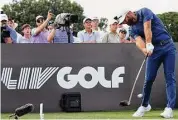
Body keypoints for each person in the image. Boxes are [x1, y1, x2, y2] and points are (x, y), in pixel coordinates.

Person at [114, 7, 177, 118]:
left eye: (125, 20)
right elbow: (138, 40)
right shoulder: (131, 29)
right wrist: (144, 50)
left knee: (169, 77)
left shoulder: (144, 12)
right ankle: (144, 105)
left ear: (129, 13)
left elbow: (147, 27)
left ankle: (169, 108)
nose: (125, 22)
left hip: (168, 47)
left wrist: (148, 43)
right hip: (154, 51)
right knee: (148, 79)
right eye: (123, 22)